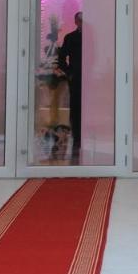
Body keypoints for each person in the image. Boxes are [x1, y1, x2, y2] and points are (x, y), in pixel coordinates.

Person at [55, 11, 83, 161]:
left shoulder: (91, 37)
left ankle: (85, 134)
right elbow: (61, 58)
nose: (82, 23)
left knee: (88, 107)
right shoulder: (70, 37)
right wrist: (69, 73)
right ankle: (77, 135)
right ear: (76, 22)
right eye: (80, 20)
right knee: (76, 107)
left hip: (89, 79)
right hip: (76, 78)